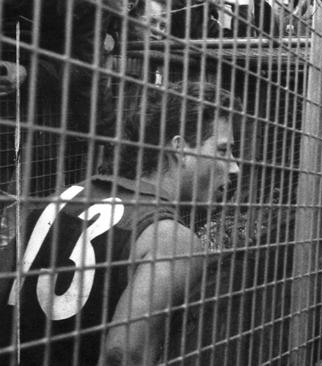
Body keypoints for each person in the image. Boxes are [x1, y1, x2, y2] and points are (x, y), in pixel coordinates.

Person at [0, 81, 241, 366]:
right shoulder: (174, 241)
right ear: (180, 149)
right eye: (224, 151)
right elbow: (124, 355)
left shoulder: (65, 197)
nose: (235, 166)